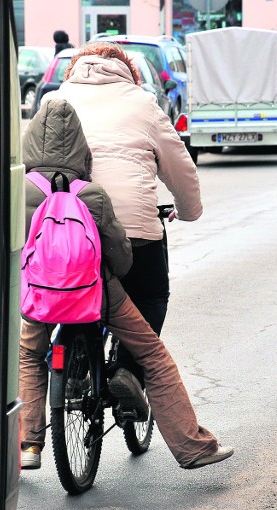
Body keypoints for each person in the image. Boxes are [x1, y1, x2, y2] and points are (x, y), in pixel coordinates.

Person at [19, 98, 233, 471]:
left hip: (39, 296)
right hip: (95, 291)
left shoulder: (21, 191)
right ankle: (192, 447)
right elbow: (119, 254)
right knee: (151, 353)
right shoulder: (92, 194)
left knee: (29, 356)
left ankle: (29, 446)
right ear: (80, 148)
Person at [43, 41, 201, 381]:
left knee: (64, 290)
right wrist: (188, 211)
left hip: (61, 229)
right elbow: (180, 168)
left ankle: (75, 360)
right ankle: (128, 372)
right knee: (152, 295)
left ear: (72, 71)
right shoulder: (143, 103)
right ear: (130, 74)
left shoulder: (53, 100)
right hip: (132, 230)